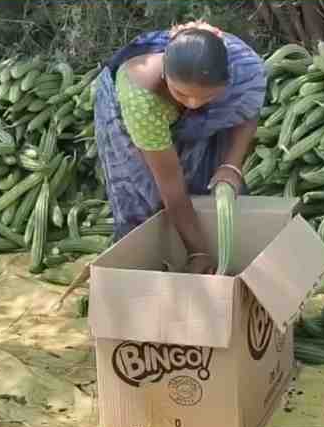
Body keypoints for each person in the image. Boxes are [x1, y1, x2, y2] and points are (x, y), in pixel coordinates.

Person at [94, 20, 267, 274]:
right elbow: (171, 184)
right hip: (134, 109)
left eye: (207, 96)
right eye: (182, 94)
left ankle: (194, 239)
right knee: (143, 200)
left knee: (206, 185)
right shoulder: (139, 93)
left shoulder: (246, 69)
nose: (194, 104)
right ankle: (137, 277)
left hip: (188, 95)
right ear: (166, 75)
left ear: (228, 81)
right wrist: (199, 251)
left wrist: (231, 166)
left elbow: (246, 111)